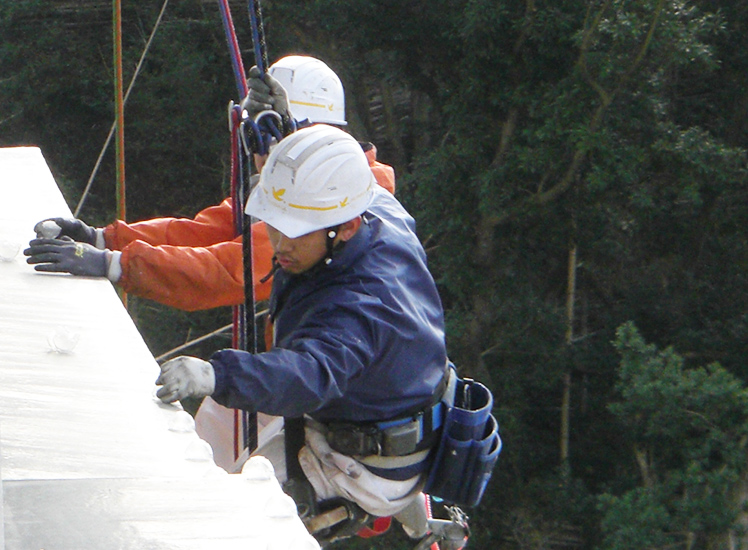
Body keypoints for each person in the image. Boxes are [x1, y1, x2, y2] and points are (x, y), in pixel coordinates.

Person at [154, 124, 449, 542]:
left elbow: (307, 374)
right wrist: (286, 144)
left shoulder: (362, 308)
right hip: (385, 399)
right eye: (275, 224)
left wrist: (217, 376)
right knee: (226, 420)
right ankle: (415, 514)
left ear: (345, 227)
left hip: (364, 462)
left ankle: (390, 497)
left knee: (229, 524)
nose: (279, 244)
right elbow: (360, 177)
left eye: (297, 230)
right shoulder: (378, 211)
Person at [23, 55, 395, 311]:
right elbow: (208, 230)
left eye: (268, 133)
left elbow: (233, 271)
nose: (260, 148)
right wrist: (102, 238)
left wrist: (112, 263)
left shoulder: (333, 201)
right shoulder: (315, 184)